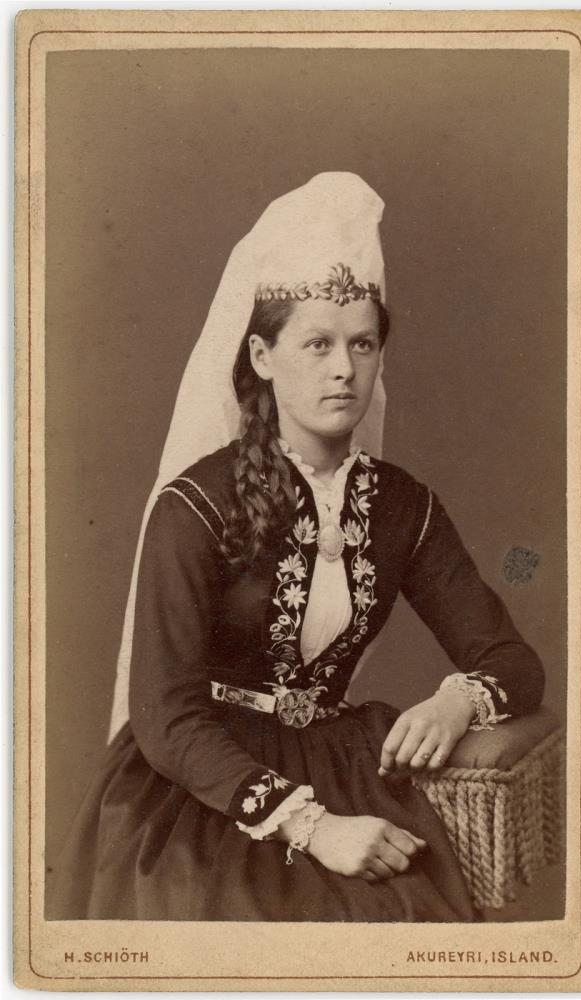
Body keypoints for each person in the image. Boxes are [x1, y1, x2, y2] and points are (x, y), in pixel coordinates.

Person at [49, 173, 544, 921]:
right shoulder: (196, 504)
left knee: (405, 919)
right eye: (317, 344)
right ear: (262, 354)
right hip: (203, 791)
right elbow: (165, 716)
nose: (344, 368)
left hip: (343, 764)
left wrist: (457, 700)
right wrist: (314, 827)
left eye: (362, 344)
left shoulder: (403, 507)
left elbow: (513, 661)